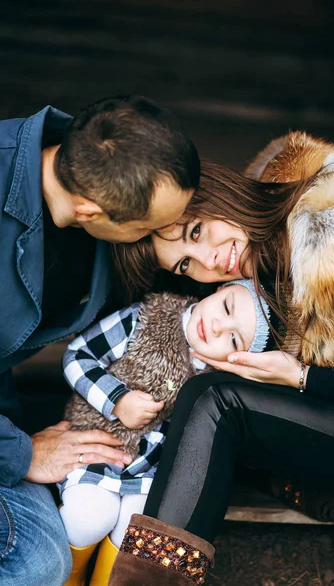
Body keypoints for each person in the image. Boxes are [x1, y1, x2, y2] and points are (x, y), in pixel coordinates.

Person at [109, 133, 334, 586]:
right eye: (186, 265)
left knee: (218, 401)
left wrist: (305, 378)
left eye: (196, 231)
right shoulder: (259, 269)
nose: (208, 261)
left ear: (220, 194)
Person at [0, 94, 199, 586]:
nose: (165, 237)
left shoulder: (100, 166)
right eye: (151, 229)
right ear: (90, 211)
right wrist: (20, 454)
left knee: (43, 562)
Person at [59, 279, 271, 585]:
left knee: (138, 534)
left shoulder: (216, 379)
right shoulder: (145, 318)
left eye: (234, 340)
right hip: (97, 443)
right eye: (225, 307)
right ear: (219, 289)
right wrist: (116, 399)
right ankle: (66, 578)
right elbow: (77, 356)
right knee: (90, 515)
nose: (216, 328)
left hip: (150, 469)